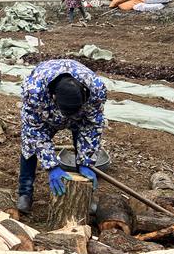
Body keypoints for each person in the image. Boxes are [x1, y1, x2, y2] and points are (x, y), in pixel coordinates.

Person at [16, 59, 107, 214]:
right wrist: (51, 166)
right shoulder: (34, 92)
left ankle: (84, 193)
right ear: (54, 98)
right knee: (29, 146)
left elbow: (93, 126)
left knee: (83, 144)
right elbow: (35, 132)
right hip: (45, 114)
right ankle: (25, 192)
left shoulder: (96, 90)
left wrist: (86, 161)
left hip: (81, 116)